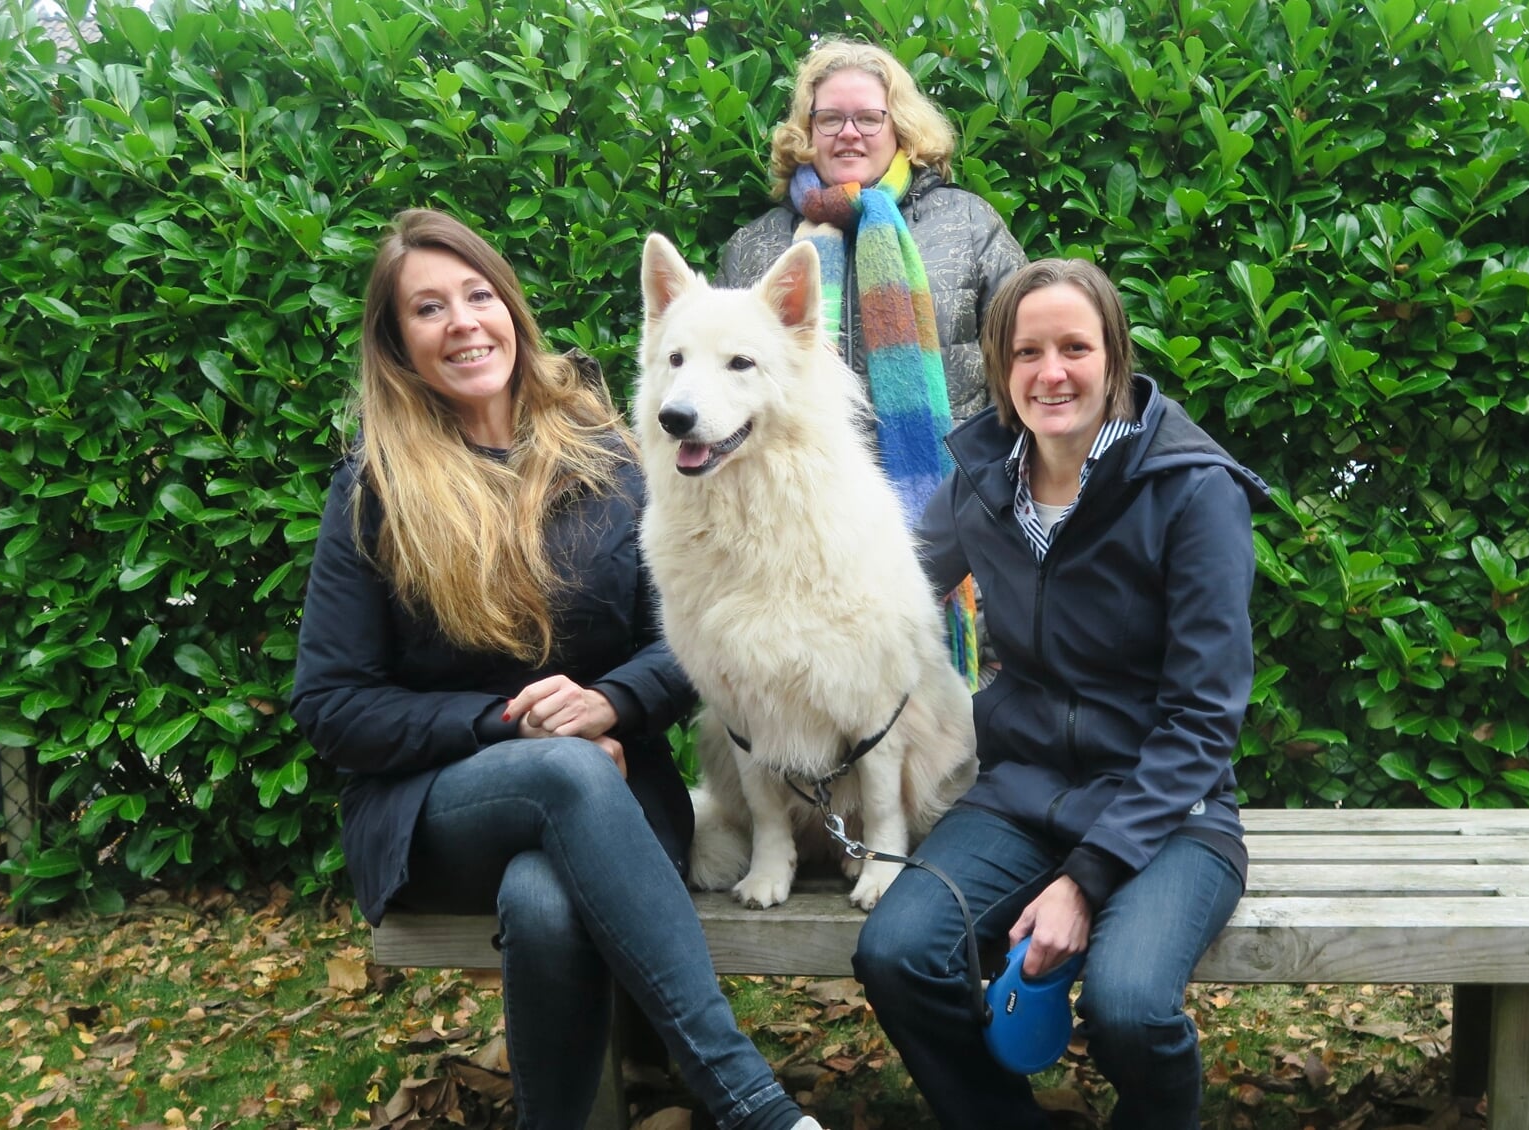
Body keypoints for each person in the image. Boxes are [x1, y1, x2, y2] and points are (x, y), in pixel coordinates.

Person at [290, 209, 823, 1130]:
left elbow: (691, 637)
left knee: (544, 902)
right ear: (398, 344)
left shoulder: (616, 458)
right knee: (562, 771)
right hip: (437, 808)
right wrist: (512, 725)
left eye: (477, 295)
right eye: (427, 308)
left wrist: (612, 702)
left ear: (511, 310)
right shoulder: (372, 488)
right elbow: (332, 705)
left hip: (620, 795)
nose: (461, 322)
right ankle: (749, 1102)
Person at [853, 260, 1268, 1130]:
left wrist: (1083, 881)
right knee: (896, 952)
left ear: (1113, 357)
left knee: (1128, 1010)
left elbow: (1204, 720)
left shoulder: (1195, 491)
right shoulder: (980, 480)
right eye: (1027, 351)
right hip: (1021, 794)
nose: (1052, 373)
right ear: (1002, 368)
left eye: (1075, 347)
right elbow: (872, 599)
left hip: (1172, 810)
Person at [719, 39, 1026, 678]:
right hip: (802, 546)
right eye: (830, 118)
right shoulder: (756, 249)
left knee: (966, 744)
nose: (849, 133)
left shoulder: (970, 227)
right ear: (806, 131)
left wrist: (997, 489)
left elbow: (1026, 371)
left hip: (956, 523)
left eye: (869, 117)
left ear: (901, 127)